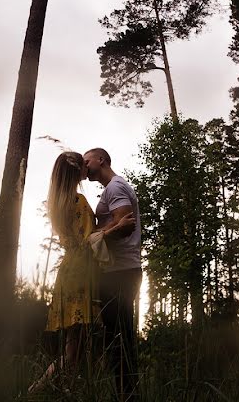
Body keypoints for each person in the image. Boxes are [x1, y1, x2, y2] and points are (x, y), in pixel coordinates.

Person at [29, 151, 134, 394]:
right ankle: (34, 392)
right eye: (83, 163)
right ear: (78, 171)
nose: (87, 167)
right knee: (74, 350)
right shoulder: (78, 202)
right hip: (80, 274)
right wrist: (115, 228)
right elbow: (87, 242)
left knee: (75, 347)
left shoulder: (60, 203)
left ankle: (58, 391)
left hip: (70, 273)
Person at [84, 147, 143, 402]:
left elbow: (125, 226)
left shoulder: (115, 187)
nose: (84, 166)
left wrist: (94, 236)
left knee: (119, 340)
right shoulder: (112, 188)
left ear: (101, 160)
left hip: (120, 272)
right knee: (117, 338)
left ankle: (126, 396)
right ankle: (125, 394)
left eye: (87, 161)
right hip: (119, 270)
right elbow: (118, 223)